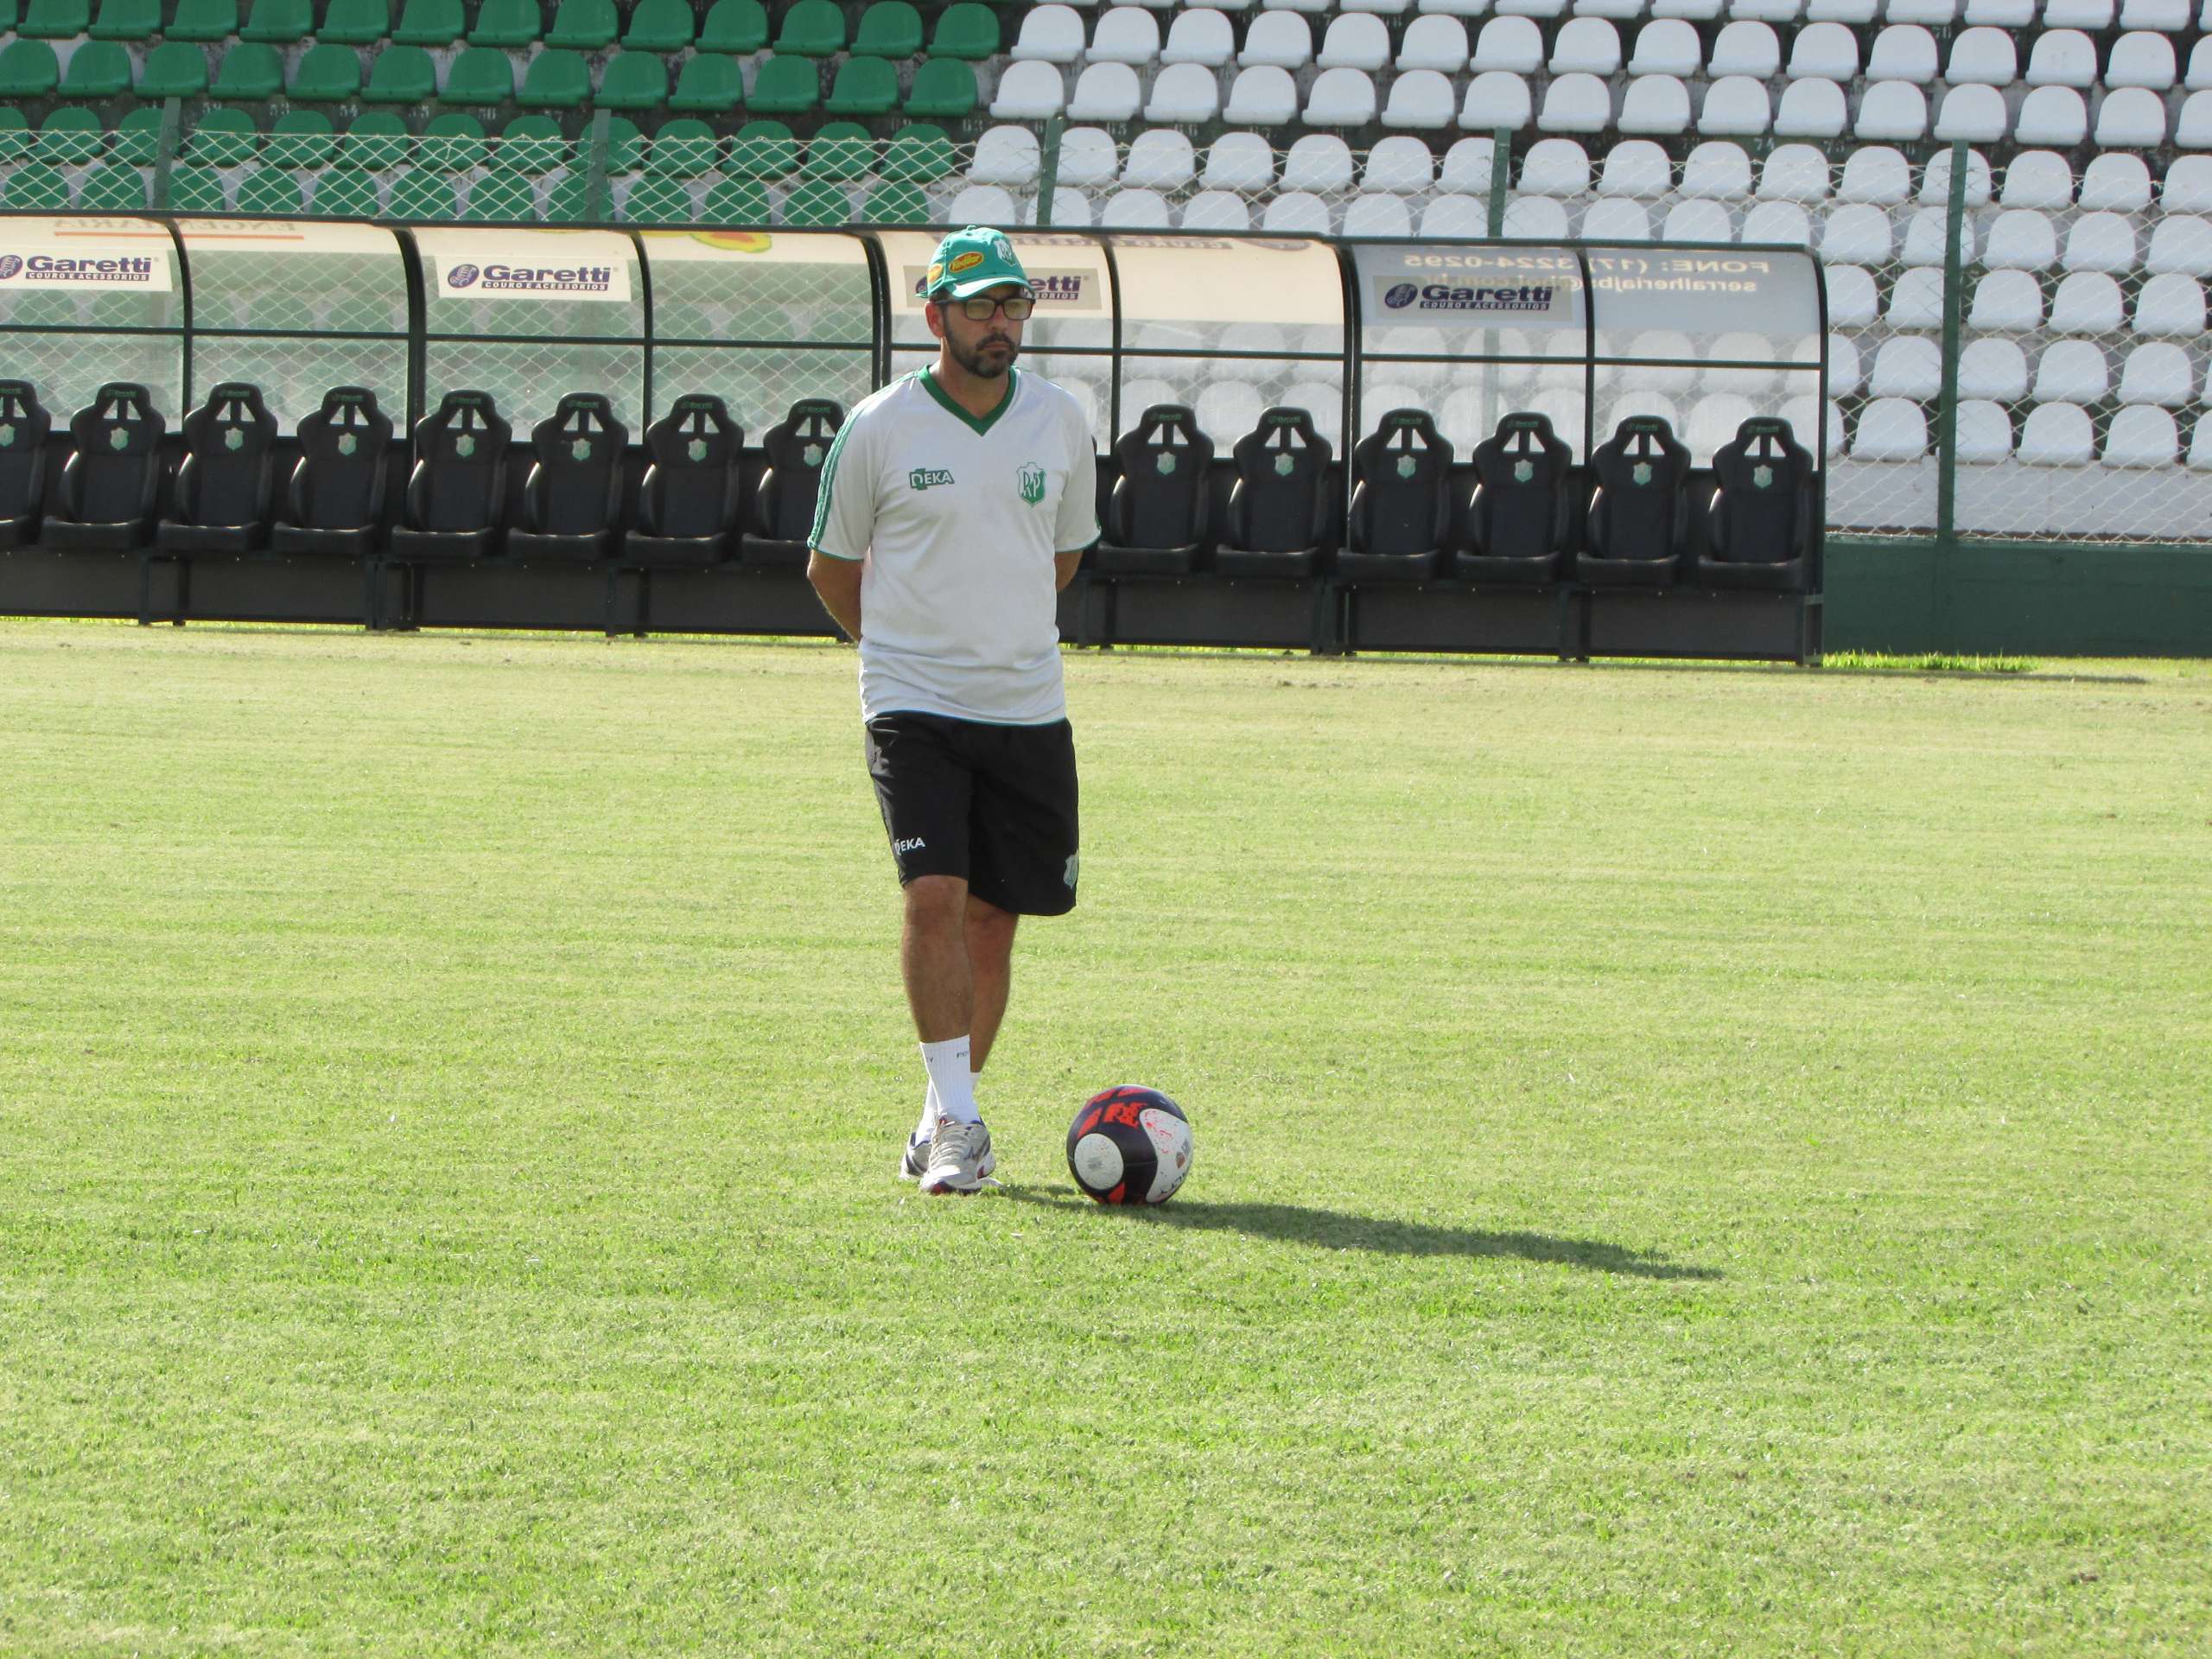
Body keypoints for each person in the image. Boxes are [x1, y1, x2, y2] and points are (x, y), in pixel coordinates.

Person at [805, 227, 1100, 1196]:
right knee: (931, 897)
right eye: (978, 306)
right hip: (912, 703)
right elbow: (831, 568)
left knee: (993, 921)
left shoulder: (1059, 420)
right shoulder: (880, 425)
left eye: (1012, 305)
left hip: (1025, 704)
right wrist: (901, 652)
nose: (1000, 323)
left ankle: (939, 1112)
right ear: (934, 316)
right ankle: (963, 1128)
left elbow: (1057, 559)